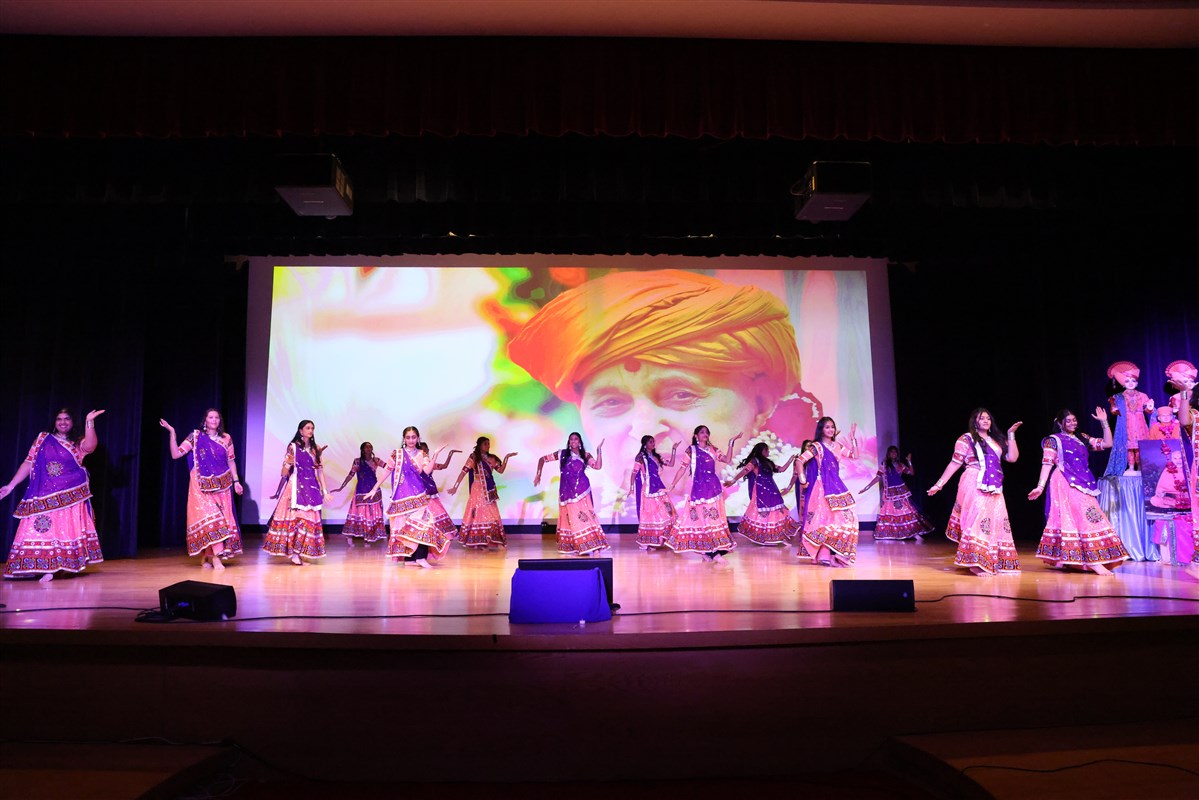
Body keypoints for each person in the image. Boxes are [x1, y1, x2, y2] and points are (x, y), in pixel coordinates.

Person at [508, 269, 830, 520]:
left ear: (761, 403)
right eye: (612, 402)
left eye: (680, 394)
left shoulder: (814, 499)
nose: (644, 429)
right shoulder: (532, 511)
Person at [2, 408, 106, 581]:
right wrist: (11, 485)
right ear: (54, 422)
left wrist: (90, 421)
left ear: (72, 422)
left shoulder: (76, 442)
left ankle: (55, 568)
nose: (62, 422)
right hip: (42, 493)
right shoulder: (43, 439)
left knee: (63, 531)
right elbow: (29, 462)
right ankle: (36, 566)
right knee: (38, 528)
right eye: (59, 419)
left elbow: (90, 446)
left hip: (70, 495)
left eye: (67, 419)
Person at [1026, 408, 1128, 575]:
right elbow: (1047, 463)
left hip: (1083, 481)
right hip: (1064, 480)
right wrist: (1040, 486)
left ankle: (1075, 558)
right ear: (1060, 423)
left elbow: (1107, 444)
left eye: (1074, 420)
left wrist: (1104, 422)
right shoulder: (1053, 440)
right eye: (1068, 420)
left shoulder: (1082, 437)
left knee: (1088, 516)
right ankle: (1092, 561)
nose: (1073, 423)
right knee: (1078, 517)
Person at [928, 408, 1022, 576]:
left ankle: (991, 560)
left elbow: (1012, 458)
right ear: (975, 421)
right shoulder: (966, 439)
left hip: (994, 484)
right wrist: (939, 484)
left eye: (988, 418)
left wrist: (1011, 435)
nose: (986, 421)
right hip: (974, 480)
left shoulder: (996, 440)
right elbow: (955, 463)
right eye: (981, 418)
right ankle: (974, 562)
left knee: (997, 519)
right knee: (977, 518)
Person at [159, 409, 244, 570]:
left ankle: (207, 556)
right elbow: (176, 454)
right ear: (205, 420)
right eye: (211, 417)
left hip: (223, 485)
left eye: (217, 417)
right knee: (213, 520)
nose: (214, 420)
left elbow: (231, 461)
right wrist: (172, 433)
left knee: (223, 521)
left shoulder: (226, 438)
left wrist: (236, 481)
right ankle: (217, 558)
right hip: (201, 486)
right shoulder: (195, 437)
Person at [665, 426, 740, 563]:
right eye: (702, 432)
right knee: (702, 520)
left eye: (707, 432)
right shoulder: (691, 450)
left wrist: (731, 443)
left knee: (714, 519)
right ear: (696, 436)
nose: (705, 434)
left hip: (713, 489)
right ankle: (710, 552)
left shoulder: (713, 449)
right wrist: (672, 485)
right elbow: (682, 469)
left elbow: (727, 460)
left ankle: (712, 552)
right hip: (699, 490)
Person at [382, 426, 455, 568]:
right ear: (404, 439)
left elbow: (426, 471)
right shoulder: (397, 454)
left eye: (413, 437)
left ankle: (420, 558)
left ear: (418, 438)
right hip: (403, 499)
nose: (411, 440)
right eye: (408, 437)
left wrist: (435, 455)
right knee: (407, 528)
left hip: (419, 497)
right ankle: (410, 559)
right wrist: (374, 488)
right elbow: (387, 471)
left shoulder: (422, 454)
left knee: (425, 525)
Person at [794, 417, 860, 566]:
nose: (831, 430)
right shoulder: (816, 447)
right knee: (824, 520)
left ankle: (836, 554)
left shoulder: (837, 446)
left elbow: (855, 456)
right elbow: (799, 461)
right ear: (821, 430)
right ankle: (825, 555)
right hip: (822, 487)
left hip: (836, 486)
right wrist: (802, 480)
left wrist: (853, 438)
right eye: (827, 427)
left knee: (849, 518)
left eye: (832, 427)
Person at [263, 419, 330, 565]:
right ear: (301, 431)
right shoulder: (293, 447)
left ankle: (299, 553)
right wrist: (287, 464)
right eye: (307, 428)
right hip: (295, 488)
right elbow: (284, 472)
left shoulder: (316, 449)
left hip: (311, 488)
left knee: (308, 521)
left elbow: (320, 471)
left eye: (312, 428)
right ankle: (295, 554)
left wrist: (325, 491)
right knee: (296, 520)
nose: (310, 430)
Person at [534, 432, 609, 556]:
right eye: (571, 439)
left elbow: (597, 466)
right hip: (567, 492)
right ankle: (578, 546)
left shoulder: (585, 455)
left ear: (579, 442)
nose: (573, 441)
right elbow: (542, 459)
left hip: (582, 491)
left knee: (587, 517)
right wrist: (538, 474)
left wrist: (599, 450)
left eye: (576, 439)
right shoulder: (562, 454)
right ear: (569, 442)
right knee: (572, 519)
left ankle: (595, 546)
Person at [724, 441, 798, 546]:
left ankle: (778, 536)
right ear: (761, 450)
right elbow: (745, 471)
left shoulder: (768, 463)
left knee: (776, 512)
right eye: (767, 450)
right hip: (760, 490)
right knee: (761, 512)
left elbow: (782, 469)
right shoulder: (755, 461)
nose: (768, 452)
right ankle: (763, 536)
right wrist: (733, 481)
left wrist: (791, 459)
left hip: (772, 489)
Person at [448, 436, 515, 549]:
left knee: (492, 514)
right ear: (479, 445)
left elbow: (501, 470)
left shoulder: (492, 458)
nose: (488, 446)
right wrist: (455, 487)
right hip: (477, 489)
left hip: (489, 490)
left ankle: (493, 540)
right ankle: (479, 542)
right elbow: (463, 472)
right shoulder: (474, 457)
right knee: (478, 514)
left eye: (489, 444)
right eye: (485, 444)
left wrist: (506, 458)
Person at [859, 446, 934, 540]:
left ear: (897, 454)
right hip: (888, 493)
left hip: (900, 493)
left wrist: (909, 461)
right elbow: (878, 477)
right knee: (889, 512)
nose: (893, 453)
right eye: (891, 452)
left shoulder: (900, 465)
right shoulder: (884, 465)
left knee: (905, 511)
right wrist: (866, 487)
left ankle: (913, 533)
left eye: (895, 452)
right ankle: (888, 534)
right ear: (888, 454)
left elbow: (911, 473)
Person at [330, 441, 387, 546]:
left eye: (370, 447)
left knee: (373, 514)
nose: (369, 449)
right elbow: (351, 474)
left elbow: (389, 468)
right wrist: (341, 487)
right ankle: (350, 536)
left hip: (374, 490)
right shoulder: (357, 461)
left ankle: (368, 538)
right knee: (360, 513)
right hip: (361, 490)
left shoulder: (376, 460)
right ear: (362, 450)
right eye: (366, 447)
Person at [1103, 361, 1154, 476]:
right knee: (1129, 447)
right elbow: (1114, 411)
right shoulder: (1118, 397)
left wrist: (1150, 407)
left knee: (1140, 446)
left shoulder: (1142, 395)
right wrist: (1113, 406)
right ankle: (1131, 467)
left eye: (1133, 381)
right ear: (1122, 383)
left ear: (1137, 383)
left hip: (1140, 424)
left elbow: (1148, 410)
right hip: (1126, 424)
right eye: (1127, 381)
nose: (1130, 383)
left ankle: (1140, 467)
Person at [629, 435, 678, 550]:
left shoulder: (657, 456)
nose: (653, 444)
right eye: (650, 442)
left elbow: (671, 464)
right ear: (645, 444)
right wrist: (631, 488)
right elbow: (634, 473)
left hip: (659, 486)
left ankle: (660, 539)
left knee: (667, 511)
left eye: (653, 442)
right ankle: (648, 541)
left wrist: (674, 450)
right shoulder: (641, 457)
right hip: (648, 489)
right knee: (650, 515)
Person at [417, 441, 459, 562]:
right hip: (422, 493)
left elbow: (444, 466)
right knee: (428, 518)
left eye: (426, 450)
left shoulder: (430, 463)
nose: (425, 452)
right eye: (422, 450)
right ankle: (429, 544)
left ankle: (440, 540)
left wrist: (450, 454)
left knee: (438, 514)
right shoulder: (417, 463)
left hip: (431, 492)